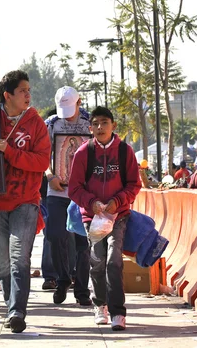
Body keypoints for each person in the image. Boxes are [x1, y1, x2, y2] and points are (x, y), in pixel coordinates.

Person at [0, 70, 51, 333]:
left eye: (29, 90)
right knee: (3, 262)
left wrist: (11, 152)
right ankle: (10, 308)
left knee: (20, 259)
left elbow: (41, 162)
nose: (28, 94)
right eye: (22, 91)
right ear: (7, 95)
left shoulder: (36, 123)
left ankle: (17, 312)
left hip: (26, 201)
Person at [68, 106, 141, 332]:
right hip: (93, 217)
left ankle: (118, 312)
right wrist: (93, 204)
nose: (100, 127)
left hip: (118, 215)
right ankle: (100, 306)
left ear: (113, 125)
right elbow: (74, 189)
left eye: (105, 123)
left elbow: (134, 185)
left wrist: (116, 202)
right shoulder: (83, 153)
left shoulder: (125, 152)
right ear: (90, 128)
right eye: (96, 124)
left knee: (113, 260)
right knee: (97, 260)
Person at [44, 86, 92, 306]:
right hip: (57, 189)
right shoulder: (51, 124)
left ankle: (82, 289)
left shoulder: (91, 123)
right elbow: (43, 154)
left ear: (79, 102)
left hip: (84, 192)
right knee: (55, 235)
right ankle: (63, 277)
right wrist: (50, 175)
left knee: (83, 241)